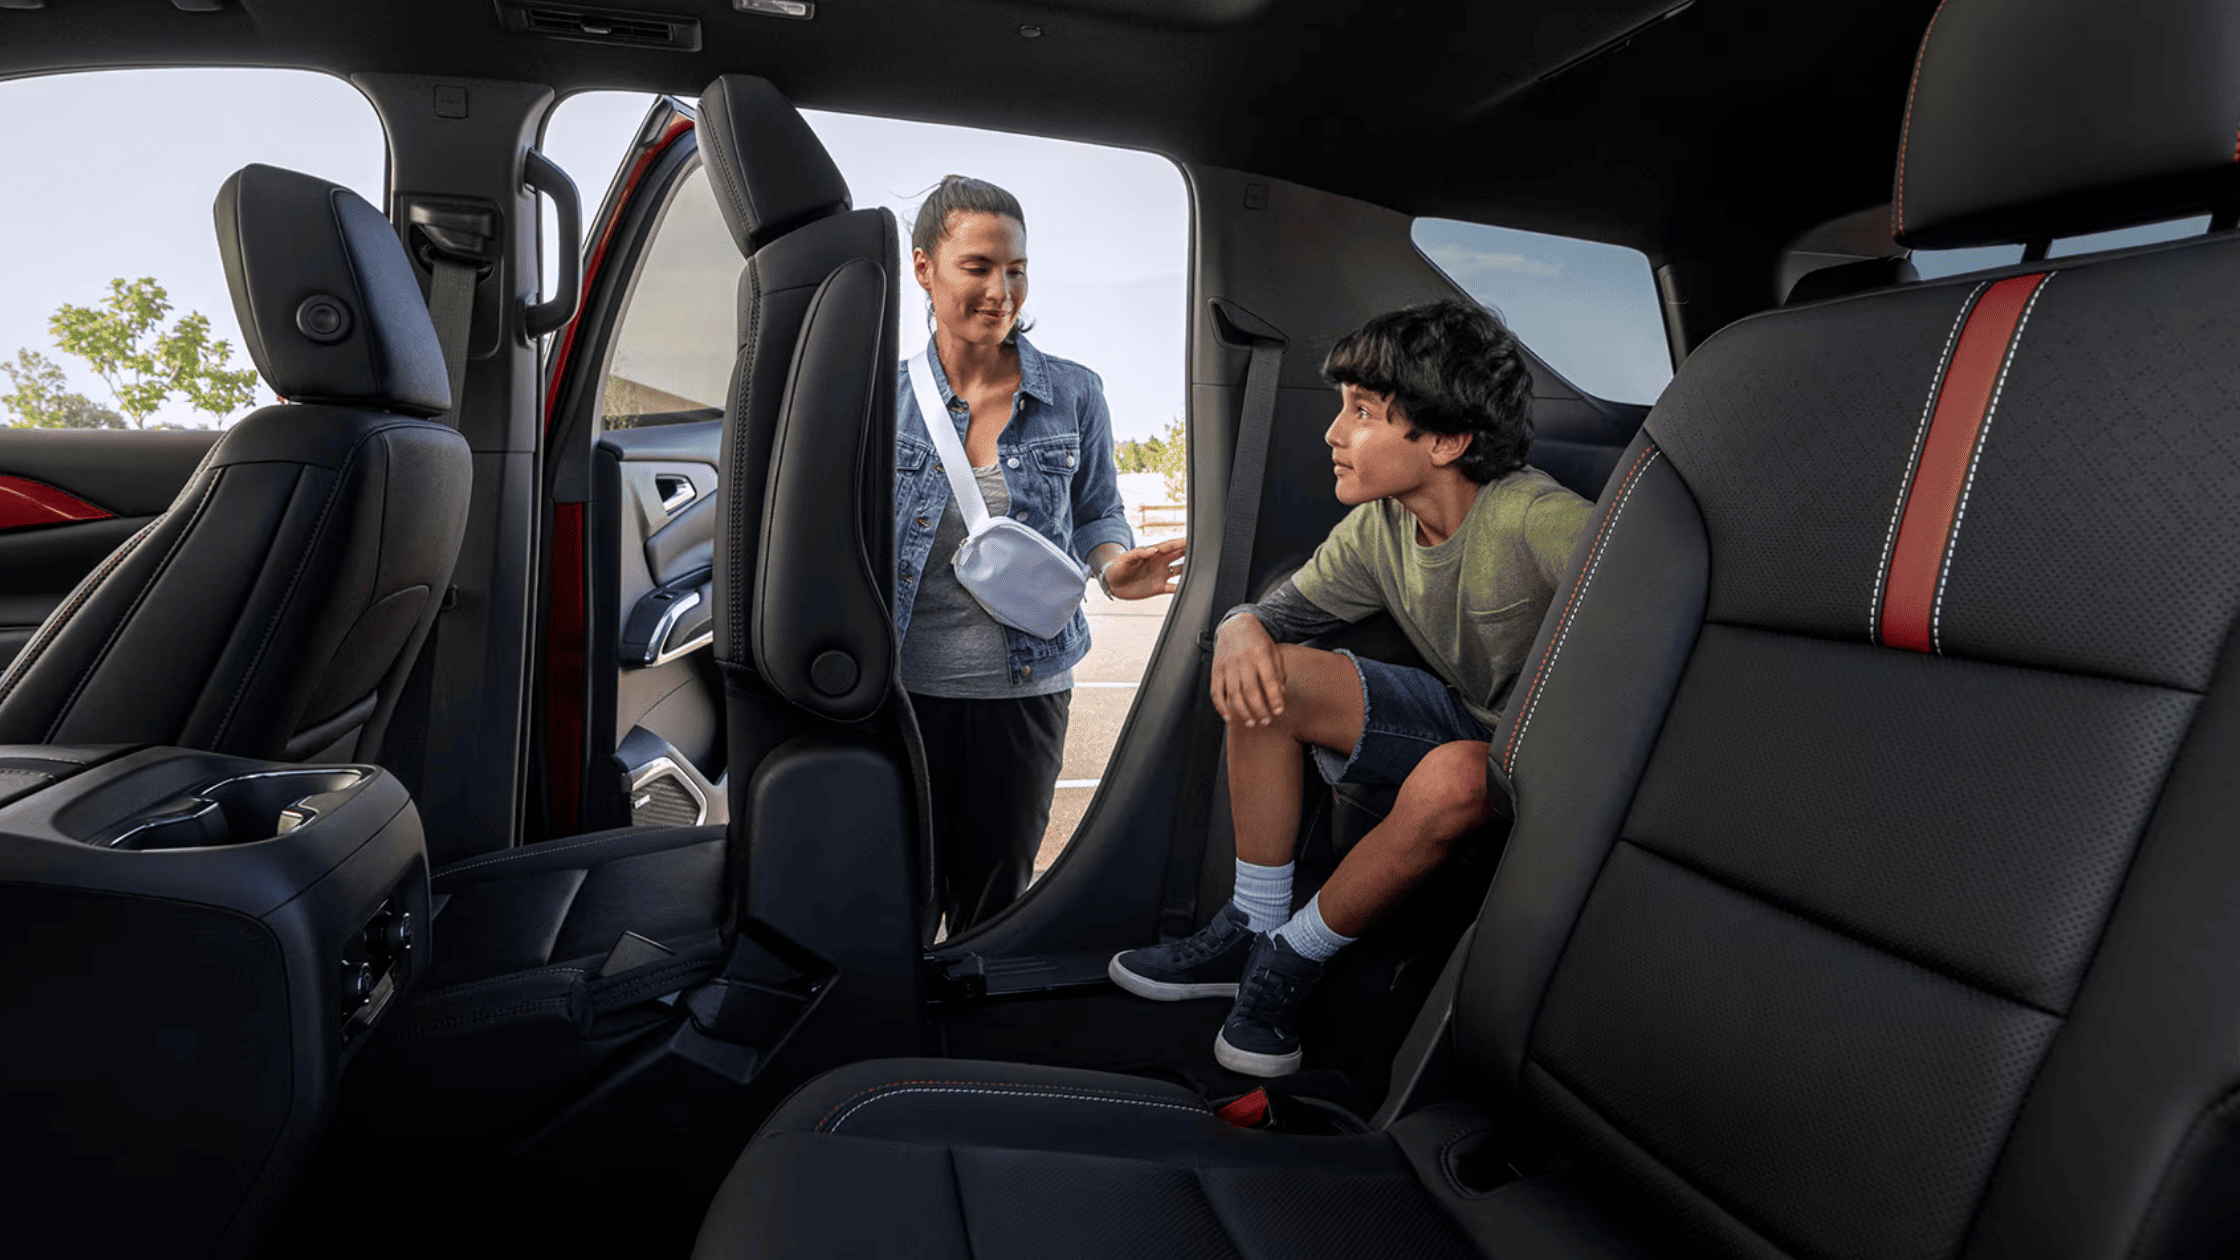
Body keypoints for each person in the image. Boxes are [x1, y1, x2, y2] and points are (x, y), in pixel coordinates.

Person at [1109, 299, 1592, 1077]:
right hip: (1469, 719)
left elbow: (1652, 609)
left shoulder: (1535, 518)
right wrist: (1239, 625)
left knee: (1459, 773)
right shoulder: (1378, 530)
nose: (1334, 434)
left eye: (1363, 413)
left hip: (1553, 760)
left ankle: (1292, 961)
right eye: (1342, 410)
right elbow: (1275, 617)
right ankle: (1253, 929)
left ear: (1447, 439)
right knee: (1273, 671)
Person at [894, 174, 1188, 935]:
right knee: (899, 896)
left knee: (995, 903)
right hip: (901, 693)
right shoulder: (880, 397)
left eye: (1017, 269)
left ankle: (966, 1051)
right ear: (924, 268)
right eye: (979, 267)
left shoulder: (1074, 393)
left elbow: (1097, 510)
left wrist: (1114, 567)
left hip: (1025, 693)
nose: (1002, 291)